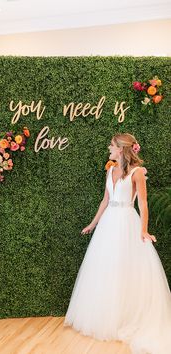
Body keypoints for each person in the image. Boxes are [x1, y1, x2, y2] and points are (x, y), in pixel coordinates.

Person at [64, 133, 171, 354]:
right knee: (106, 269)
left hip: (127, 223)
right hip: (108, 224)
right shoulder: (111, 170)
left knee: (125, 269)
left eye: (112, 146)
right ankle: (106, 317)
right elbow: (105, 200)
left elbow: (143, 203)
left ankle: (126, 317)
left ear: (122, 149)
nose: (109, 148)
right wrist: (93, 224)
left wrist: (143, 230)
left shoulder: (137, 173)